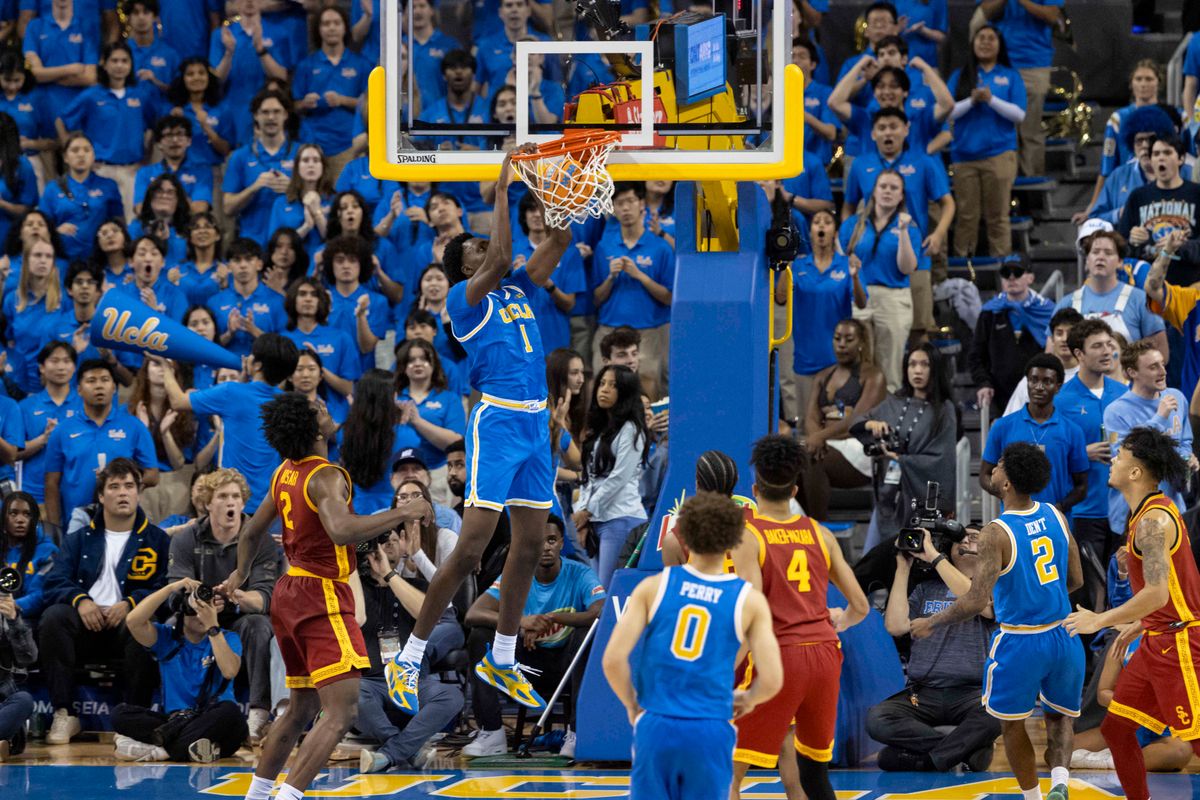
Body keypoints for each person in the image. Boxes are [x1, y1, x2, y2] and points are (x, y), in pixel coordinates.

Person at [387, 150, 575, 717]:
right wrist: (501, 190)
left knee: (528, 543)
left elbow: (558, 243)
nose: (482, 250)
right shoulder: (463, 303)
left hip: (533, 421)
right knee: (471, 550)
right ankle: (410, 655)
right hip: (495, 419)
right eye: (472, 248)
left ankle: (502, 652)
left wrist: (559, 189)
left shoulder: (517, 289)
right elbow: (501, 255)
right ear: (460, 266)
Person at [217, 392, 431, 800]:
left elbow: (249, 532)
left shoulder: (284, 472)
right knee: (341, 712)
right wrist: (404, 512)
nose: (329, 412)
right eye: (321, 410)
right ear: (314, 429)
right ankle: (288, 797)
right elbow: (341, 530)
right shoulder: (327, 475)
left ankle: (258, 794)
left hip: (288, 592)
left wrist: (239, 574)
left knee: (301, 709)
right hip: (322, 596)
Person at [913, 442, 1083, 800]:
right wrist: (1044, 597)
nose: (995, 467)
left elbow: (976, 601)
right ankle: (1061, 782)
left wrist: (933, 623)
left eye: (1001, 464)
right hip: (1064, 636)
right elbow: (1076, 580)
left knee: (1011, 724)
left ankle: (1033, 797)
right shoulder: (1055, 514)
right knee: (1058, 718)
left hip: (1021, 640)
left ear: (1006, 483)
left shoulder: (996, 532)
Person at [602, 491, 783, 800]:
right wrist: (749, 698)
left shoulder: (653, 587)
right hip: (710, 726)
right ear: (735, 539)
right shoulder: (749, 600)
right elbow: (773, 679)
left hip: (656, 723)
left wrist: (633, 704)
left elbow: (613, 660)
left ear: (682, 535)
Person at [729, 435, 870, 800]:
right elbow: (860, 606)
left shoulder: (749, 536)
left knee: (725, 768)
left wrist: (725, 667)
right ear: (794, 489)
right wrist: (838, 621)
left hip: (779, 655)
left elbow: (753, 612)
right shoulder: (820, 533)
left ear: (755, 486)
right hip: (824, 655)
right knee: (813, 773)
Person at [1063, 427, 1200, 800]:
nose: (1113, 460)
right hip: (1158, 637)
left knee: (1196, 740)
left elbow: (1156, 592)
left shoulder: (1154, 523)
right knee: (1117, 730)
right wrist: (1138, 623)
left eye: (1120, 455)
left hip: (1181, 644)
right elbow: (1173, 588)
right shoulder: (1148, 512)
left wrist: (1100, 619)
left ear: (1136, 472)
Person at [39, 458, 170, 745]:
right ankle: (64, 713)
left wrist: (131, 604)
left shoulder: (158, 540)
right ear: (101, 496)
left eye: (129, 486)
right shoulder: (79, 539)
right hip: (85, 625)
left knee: (144, 625)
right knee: (53, 617)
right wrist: (81, 601)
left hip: (126, 626)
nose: (122, 492)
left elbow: (166, 587)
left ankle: (133, 719)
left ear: (139, 492)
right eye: (114, 486)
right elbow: (54, 581)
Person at [462, 515, 604, 758]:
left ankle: (576, 733)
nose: (546, 546)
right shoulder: (515, 574)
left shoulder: (579, 573)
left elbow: (601, 611)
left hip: (566, 668)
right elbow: (473, 613)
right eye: (539, 540)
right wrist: (521, 623)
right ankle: (492, 733)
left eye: (551, 540)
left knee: (587, 634)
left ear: (561, 543)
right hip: (523, 669)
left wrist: (552, 619)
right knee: (480, 635)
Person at [870, 527, 1000, 771]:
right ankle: (964, 750)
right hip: (923, 693)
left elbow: (979, 602)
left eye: (974, 537)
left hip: (973, 693)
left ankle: (926, 759)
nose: (967, 541)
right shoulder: (926, 589)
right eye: (960, 539)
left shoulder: (994, 587)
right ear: (949, 551)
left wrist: (935, 558)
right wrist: (903, 568)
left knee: (1000, 713)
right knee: (877, 719)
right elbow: (896, 626)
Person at [167, 467, 279, 745]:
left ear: (243, 502)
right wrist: (199, 603)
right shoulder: (187, 538)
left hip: (239, 617)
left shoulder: (260, 538)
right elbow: (174, 594)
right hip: (199, 617)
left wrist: (236, 595)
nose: (231, 502)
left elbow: (265, 598)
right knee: (167, 627)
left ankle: (258, 713)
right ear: (207, 503)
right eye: (222, 496)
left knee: (259, 624)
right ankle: (173, 709)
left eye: (236, 496)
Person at [356, 527, 465, 773]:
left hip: (411, 682)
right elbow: (355, 616)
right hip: (370, 682)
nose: (387, 546)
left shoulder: (418, 586)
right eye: (380, 543)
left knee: (451, 696)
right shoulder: (356, 588)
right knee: (351, 694)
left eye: (394, 540)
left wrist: (389, 574)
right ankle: (408, 750)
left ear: (404, 549)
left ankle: (389, 753)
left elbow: (431, 615)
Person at [112, 575, 247, 762]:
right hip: (176, 721)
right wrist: (171, 588)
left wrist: (212, 627)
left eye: (207, 608)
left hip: (214, 719)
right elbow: (133, 621)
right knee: (120, 714)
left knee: (231, 715)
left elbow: (230, 671)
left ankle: (160, 751)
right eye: (195, 609)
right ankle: (192, 749)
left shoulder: (226, 637)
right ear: (182, 611)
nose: (201, 614)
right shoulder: (167, 639)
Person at [158, 332, 300, 508]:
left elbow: (178, 401)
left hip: (234, 504)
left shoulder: (230, 393)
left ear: (257, 365)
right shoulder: (288, 402)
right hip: (272, 507)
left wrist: (165, 366)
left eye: (251, 355)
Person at [851, 343, 958, 549]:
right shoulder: (894, 402)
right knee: (873, 558)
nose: (917, 370)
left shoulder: (944, 410)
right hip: (889, 496)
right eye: (912, 364)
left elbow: (942, 460)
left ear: (935, 369)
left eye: (924, 365)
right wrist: (871, 424)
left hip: (920, 500)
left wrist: (900, 459)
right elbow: (856, 424)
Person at [43, 359, 159, 533]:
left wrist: (120, 479)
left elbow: (153, 475)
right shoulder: (63, 430)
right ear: (79, 390)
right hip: (77, 520)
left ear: (114, 388)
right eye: (91, 381)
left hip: (122, 520)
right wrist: (54, 531)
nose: (99, 386)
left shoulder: (134, 427)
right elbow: (51, 483)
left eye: (105, 380)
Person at [1055, 320, 1127, 587]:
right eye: (1097, 346)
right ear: (1079, 354)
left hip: (1122, 508)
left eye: (1109, 344)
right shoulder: (1061, 399)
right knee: (1088, 589)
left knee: (1122, 587)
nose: (1107, 351)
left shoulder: (1123, 393)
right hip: (1084, 510)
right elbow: (1050, 455)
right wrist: (1082, 453)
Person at [778, 209, 867, 419]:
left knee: (834, 423)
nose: (821, 226)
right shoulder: (798, 266)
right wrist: (786, 264)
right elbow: (780, 298)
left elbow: (862, 304)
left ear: (834, 232)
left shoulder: (846, 265)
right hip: (805, 358)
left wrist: (854, 278)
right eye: (816, 222)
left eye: (827, 222)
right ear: (810, 232)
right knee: (804, 424)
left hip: (837, 359)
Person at [947, 25, 1026, 257]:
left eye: (991, 38)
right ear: (972, 43)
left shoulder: (1011, 75)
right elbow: (948, 111)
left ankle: (1004, 273)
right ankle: (964, 272)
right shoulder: (960, 75)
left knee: (998, 216)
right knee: (966, 216)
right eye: (980, 38)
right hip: (964, 156)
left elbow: (1019, 115)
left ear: (1000, 44)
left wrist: (991, 100)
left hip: (999, 154)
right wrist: (971, 101)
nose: (985, 42)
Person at [797, 319, 886, 522]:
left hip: (860, 448)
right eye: (837, 338)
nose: (842, 344)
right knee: (797, 455)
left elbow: (857, 420)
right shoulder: (822, 376)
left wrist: (820, 436)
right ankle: (799, 524)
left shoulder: (873, 375)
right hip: (825, 444)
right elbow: (811, 417)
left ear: (861, 342)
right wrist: (815, 438)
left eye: (848, 339)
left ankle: (819, 527)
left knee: (811, 456)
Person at [592, 182, 674, 399]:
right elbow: (596, 299)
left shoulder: (661, 248)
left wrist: (640, 276)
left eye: (630, 201)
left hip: (650, 332)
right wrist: (610, 277)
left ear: (642, 206)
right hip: (609, 329)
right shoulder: (604, 247)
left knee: (650, 393)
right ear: (613, 209)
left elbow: (670, 298)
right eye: (619, 203)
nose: (625, 208)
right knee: (604, 392)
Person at [1103, 342, 1195, 534]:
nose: (1162, 371)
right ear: (1132, 372)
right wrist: (1159, 418)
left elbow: (1185, 441)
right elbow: (1126, 458)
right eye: (1153, 367)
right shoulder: (1116, 412)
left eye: (1162, 364)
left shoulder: (1177, 397)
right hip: (1132, 513)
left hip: (1173, 507)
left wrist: (1187, 459)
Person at [840, 169, 919, 391]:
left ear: (902, 195)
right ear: (873, 191)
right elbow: (840, 260)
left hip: (894, 298)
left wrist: (902, 231)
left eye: (894, 188)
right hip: (859, 296)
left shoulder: (910, 229)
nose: (887, 191)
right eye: (883, 186)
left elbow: (907, 267)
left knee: (890, 369)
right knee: (859, 364)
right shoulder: (853, 225)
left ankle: (889, 421)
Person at [573, 364, 649, 588]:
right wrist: (583, 514)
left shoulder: (631, 429)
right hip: (596, 519)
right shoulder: (598, 429)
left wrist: (586, 511)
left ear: (625, 392)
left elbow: (619, 478)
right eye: (602, 383)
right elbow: (589, 478)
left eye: (613, 385)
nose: (604, 390)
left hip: (621, 517)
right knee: (596, 591)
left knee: (607, 590)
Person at [977, 0, 1062, 177]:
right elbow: (985, 10)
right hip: (1001, 62)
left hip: (1035, 62)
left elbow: (1052, 15)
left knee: (1030, 131)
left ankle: (1033, 188)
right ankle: (1006, 184)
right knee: (1003, 130)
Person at [972, 254, 1056, 416]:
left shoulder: (1047, 311)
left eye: (1017, 272)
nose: (1011, 278)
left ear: (1030, 278)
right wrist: (984, 383)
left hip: (1039, 394)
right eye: (1005, 273)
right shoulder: (990, 312)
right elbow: (976, 355)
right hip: (998, 396)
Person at [292, 5, 370, 172]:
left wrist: (343, 100)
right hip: (313, 145)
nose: (332, 28)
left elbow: (370, 105)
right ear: (318, 29)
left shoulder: (361, 64)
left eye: (336, 22)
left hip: (348, 145)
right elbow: (293, 105)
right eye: (326, 24)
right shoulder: (306, 65)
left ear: (345, 27)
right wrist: (304, 103)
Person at [394, 339, 467, 505]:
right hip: (401, 474)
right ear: (403, 366)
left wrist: (417, 421)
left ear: (434, 364)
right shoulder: (394, 398)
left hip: (438, 475)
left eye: (424, 359)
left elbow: (456, 443)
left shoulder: (449, 399)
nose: (418, 364)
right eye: (411, 360)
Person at [222, 88, 298, 244]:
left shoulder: (301, 153)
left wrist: (293, 188)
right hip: (252, 244)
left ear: (286, 115)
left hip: (291, 244)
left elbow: (318, 199)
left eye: (277, 111)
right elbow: (227, 208)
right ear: (256, 116)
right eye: (265, 112)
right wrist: (254, 188)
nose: (271, 117)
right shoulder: (240, 157)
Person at [1116, 135, 1200, 277]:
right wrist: (1132, 242)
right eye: (1156, 154)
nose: (1161, 158)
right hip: (1146, 282)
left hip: (1188, 284)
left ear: (1180, 159)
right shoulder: (1138, 196)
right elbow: (1119, 247)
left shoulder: (1196, 193)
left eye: (1167, 153)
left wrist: (1182, 246)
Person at [342, 369, 424, 513]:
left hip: (355, 511)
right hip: (392, 512)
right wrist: (403, 423)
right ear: (391, 398)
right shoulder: (407, 436)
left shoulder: (345, 433)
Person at [38, 134, 123, 262]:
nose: (81, 154)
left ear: (93, 156)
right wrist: (56, 231)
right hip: (63, 259)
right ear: (65, 157)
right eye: (75, 150)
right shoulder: (52, 188)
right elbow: (41, 228)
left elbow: (118, 223)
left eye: (87, 150)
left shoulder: (108, 185)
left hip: (100, 259)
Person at [1004, 307, 1084, 416]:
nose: (1065, 339)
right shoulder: (1034, 378)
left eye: (1070, 333)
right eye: (1059, 333)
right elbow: (1011, 420)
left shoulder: (1091, 376)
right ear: (1051, 339)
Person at [0, 549, 36, 761]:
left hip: (3, 702)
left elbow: (28, 657)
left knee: (24, 700)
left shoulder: (8, 614)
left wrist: (13, 620)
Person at [1, 492, 58, 621]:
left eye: (27, 514)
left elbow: (42, 593)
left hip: (27, 619)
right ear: (3, 518)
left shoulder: (47, 551)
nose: (20, 520)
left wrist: (13, 606)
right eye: (13, 513)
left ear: (35, 519)